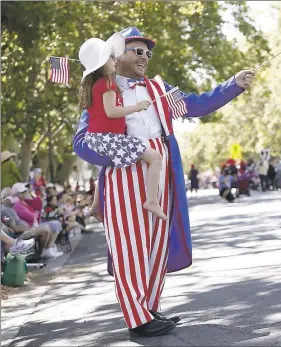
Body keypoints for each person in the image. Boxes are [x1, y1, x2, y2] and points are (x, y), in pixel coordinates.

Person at [72, 26, 255, 336]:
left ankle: (149, 307)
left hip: (162, 164)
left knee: (157, 242)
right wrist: (120, 154)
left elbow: (196, 104)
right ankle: (137, 318)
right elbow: (82, 141)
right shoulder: (103, 87)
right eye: (138, 51)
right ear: (119, 54)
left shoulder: (159, 89)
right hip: (126, 167)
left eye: (148, 52)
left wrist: (232, 85)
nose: (145, 57)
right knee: (130, 244)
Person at [78, 32, 167, 221]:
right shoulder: (108, 84)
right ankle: (152, 200)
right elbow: (112, 112)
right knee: (155, 157)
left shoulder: (96, 84)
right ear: (102, 62)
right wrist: (136, 107)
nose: (115, 60)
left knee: (110, 163)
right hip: (106, 137)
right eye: (111, 57)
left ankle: (96, 204)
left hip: (100, 137)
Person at [1, 187, 62, 259]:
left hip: (23, 231)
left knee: (47, 229)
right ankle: (42, 253)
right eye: (12, 196)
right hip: (19, 235)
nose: (14, 197)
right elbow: (15, 228)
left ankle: (42, 253)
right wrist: (30, 228)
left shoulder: (10, 208)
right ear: (4, 198)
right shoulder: (4, 210)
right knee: (45, 229)